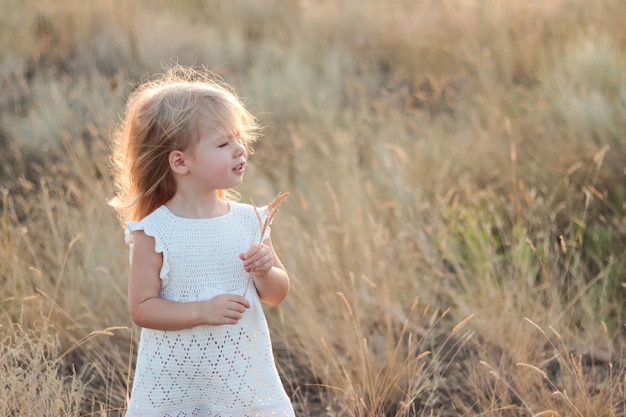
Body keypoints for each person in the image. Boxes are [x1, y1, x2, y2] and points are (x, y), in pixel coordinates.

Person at [109, 65, 295, 417]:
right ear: (180, 162)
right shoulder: (154, 231)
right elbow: (142, 307)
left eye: (239, 139)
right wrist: (201, 311)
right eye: (224, 143)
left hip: (239, 378)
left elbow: (276, 293)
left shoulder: (250, 220)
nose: (240, 150)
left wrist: (265, 270)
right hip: (175, 381)